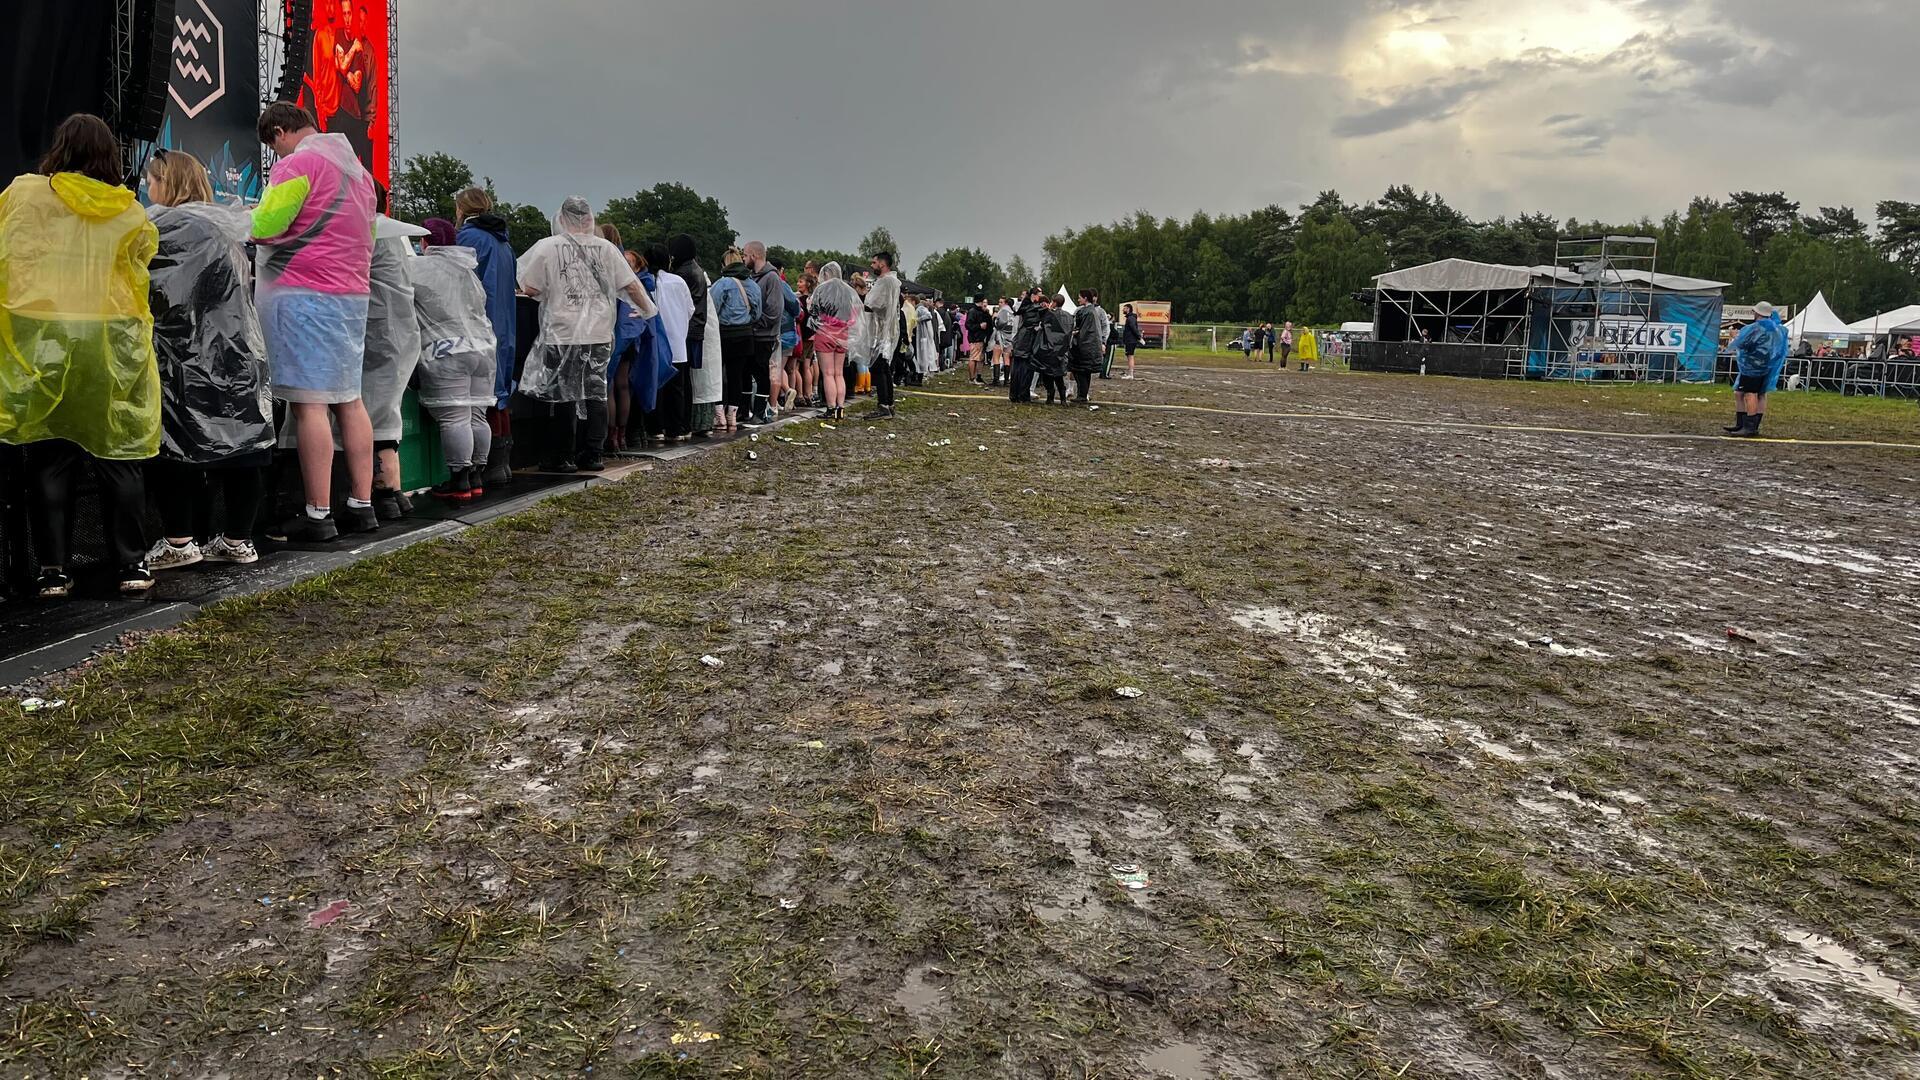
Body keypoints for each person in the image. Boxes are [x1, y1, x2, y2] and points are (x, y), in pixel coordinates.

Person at [0, 114, 161, 596]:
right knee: (120, 455)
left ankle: (53, 571)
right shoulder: (130, 210)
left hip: (45, 337)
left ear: (60, 147)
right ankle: (132, 565)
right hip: (111, 342)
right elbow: (140, 262)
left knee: (52, 454)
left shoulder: (24, 194)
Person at [142, 148, 275, 572]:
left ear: (170, 183)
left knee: (174, 446)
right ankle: (237, 539)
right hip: (238, 354)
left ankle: (180, 541)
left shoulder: (167, 229)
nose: (148, 187)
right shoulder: (226, 228)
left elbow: (164, 298)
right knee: (242, 447)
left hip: (184, 357)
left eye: (153, 179)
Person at [253, 101, 378, 542]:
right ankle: (362, 506)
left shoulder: (298, 165)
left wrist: (245, 219)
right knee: (349, 398)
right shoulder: (360, 175)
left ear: (282, 132)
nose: (276, 156)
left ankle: (318, 514)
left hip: (303, 295)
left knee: (310, 404)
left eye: (274, 146)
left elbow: (267, 226)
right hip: (351, 297)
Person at [516, 196, 655, 471]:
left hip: (562, 332)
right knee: (596, 392)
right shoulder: (607, 249)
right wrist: (648, 311)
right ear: (590, 219)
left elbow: (530, 288)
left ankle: (564, 455)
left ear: (563, 219)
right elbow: (632, 285)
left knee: (565, 395)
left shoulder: (547, 247)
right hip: (599, 332)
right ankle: (593, 453)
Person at [411, 218, 497, 502]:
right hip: (482, 349)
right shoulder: (467, 271)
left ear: (425, 242)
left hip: (446, 350)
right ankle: (476, 476)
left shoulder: (418, 268)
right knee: (476, 414)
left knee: (454, 417)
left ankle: (459, 481)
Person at [360, 185, 423, 520]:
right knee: (386, 411)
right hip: (400, 331)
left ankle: (381, 493)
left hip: (375, 332)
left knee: (368, 414)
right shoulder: (396, 233)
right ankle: (394, 493)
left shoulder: (367, 230)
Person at [454, 187, 518, 488]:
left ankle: (486, 465)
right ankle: (501, 465)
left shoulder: (469, 238)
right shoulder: (503, 242)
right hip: (504, 324)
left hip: (479, 324)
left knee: (481, 398)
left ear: (462, 209)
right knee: (499, 394)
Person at [666, 234, 716, 438]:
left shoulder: (682, 274)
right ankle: (685, 423)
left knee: (678, 380)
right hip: (696, 329)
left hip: (686, 330)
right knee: (686, 379)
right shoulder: (696, 270)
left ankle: (679, 424)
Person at [647, 242, 695, 442]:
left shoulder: (646, 282)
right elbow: (690, 309)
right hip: (677, 341)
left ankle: (655, 428)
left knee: (656, 387)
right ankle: (676, 428)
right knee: (677, 389)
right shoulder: (678, 281)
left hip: (655, 343)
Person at [710, 247, 762, 433]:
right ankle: (733, 414)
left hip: (724, 335)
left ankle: (719, 415)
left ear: (726, 264)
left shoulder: (722, 284)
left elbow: (712, 309)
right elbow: (757, 314)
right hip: (745, 335)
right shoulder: (753, 285)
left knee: (717, 376)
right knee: (736, 376)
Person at [1728, 302, 1789, 437]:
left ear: (1757, 313)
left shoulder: (1755, 328)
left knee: (1751, 394)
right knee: (1751, 393)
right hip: (1768, 367)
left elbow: (1745, 344)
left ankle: (1749, 427)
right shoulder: (1779, 329)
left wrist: (1734, 337)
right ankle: (1745, 424)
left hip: (1753, 367)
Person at [809, 262, 859, 421]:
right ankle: (841, 407)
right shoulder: (847, 290)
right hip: (843, 333)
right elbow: (855, 312)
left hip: (825, 333)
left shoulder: (821, 289)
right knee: (839, 373)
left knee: (828, 373)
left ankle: (831, 408)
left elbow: (813, 311)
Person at [859, 252, 903, 419]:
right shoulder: (893, 282)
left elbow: (874, 304)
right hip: (887, 331)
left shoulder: (885, 282)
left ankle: (883, 405)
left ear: (882, 264)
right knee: (884, 368)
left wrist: (861, 301)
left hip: (881, 331)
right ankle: (888, 403)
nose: (872, 265)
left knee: (879, 368)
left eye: (874, 262)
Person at [745, 241, 782, 425]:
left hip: (764, 335)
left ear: (754, 255)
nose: (744, 259)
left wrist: (754, 322)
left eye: (745, 255)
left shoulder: (772, 278)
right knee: (748, 371)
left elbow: (774, 311)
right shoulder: (752, 277)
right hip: (753, 334)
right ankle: (747, 410)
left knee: (761, 373)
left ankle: (760, 412)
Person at [1034, 293, 1073, 405]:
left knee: (1047, 374)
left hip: (1049, 348)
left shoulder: (1049, 315)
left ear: (1054, 302)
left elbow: (1042, 327)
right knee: (1058, 376)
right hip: (1061, 350)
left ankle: (1050, 396)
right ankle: (1063, 399)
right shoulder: (1068, 316)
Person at [1009, 288, 1046, 403]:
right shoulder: (1033, 309)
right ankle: (1023, 395)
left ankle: (1015, 394)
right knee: (1026, 369)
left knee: (1017, 368)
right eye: (1039, 295)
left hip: (1021, 340)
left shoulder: (1024, 308)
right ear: (1034, 296)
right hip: (1027, 340)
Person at [1070, 290, 1105, 403]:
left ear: (1085, 298)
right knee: (1085, 372)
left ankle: (1082, 395)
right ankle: (1082, 395)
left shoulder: (1087, 312)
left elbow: (1084, 331)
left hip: (1085, 347)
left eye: (1080, 297)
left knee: (1080, 371)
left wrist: (1075, 335)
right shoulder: (1092, 311)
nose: (1078, 299)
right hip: (1091, 346)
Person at [965, 298, 992, 384]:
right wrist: (979, 326)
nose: (984, 304)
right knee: (974, 358)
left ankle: (978, 377)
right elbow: (968, 325)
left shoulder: (984, 313)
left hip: (982, 338)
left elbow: (989, 325)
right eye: (983, 302)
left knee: (980, 359)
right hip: (975, 338)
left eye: (986, 303)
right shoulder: (973, 311)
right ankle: (972, 378)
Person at [991, 297, 1016, 386]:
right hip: (1009, 337)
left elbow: (999, 324)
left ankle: (996, 379)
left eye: (1001, 302)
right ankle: (1006, 380)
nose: (999, 304)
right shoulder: (1012, 312)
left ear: (1005, 303)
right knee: (1007, 358)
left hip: (1001, 336)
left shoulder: (1003, 311)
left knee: (996, 356)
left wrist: (994, 319)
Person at [1121, 304, 1142, 380]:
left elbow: (1134, 328)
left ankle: (1131, 374)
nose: (1123, 310)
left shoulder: (1130, 318)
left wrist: (1139, 337)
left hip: (1130, 340)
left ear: (1128, 309)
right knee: (1129, 356)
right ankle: (1130, 373)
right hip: (1130, 340)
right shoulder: (1130, 318)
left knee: (1130, 356)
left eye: (1124, 309)